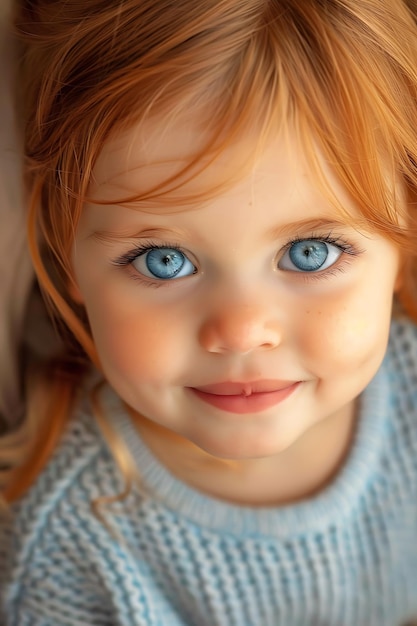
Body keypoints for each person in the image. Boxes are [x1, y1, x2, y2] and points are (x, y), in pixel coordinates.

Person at [1, 0, 417, 624]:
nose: (242, 330)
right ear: (67, 253)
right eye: (163, 260)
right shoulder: (67, 550)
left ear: (404, 241)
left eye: (310, 254)